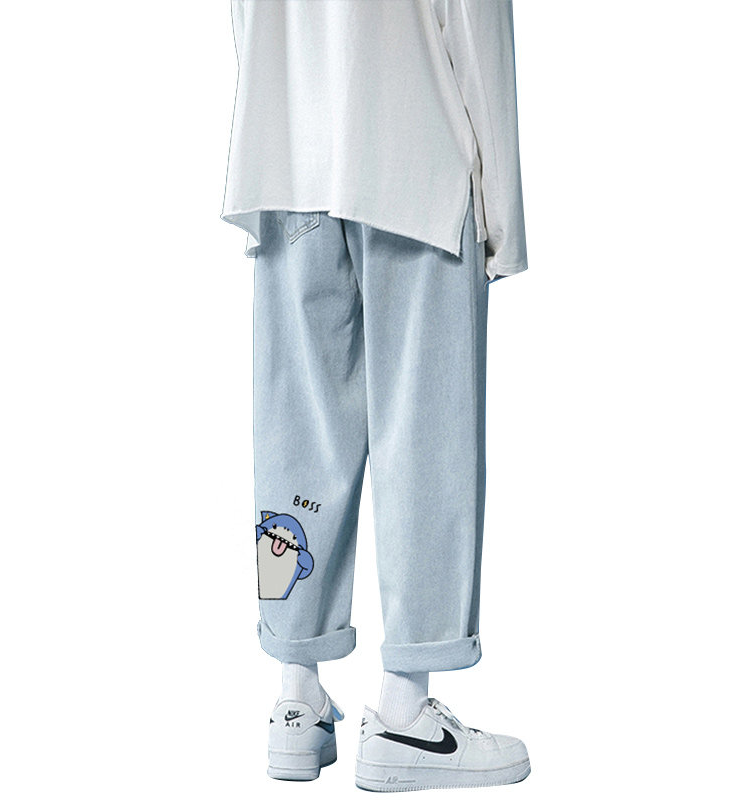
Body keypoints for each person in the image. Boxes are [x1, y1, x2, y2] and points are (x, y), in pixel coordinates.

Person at [221, 0, 531, 790]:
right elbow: (476, 24)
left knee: (296, 429)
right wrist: (504, 213)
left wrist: (268, 124)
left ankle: (296, 695)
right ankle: (403, 711)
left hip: (287, 150)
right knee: (428, 435)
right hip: (415, 146)